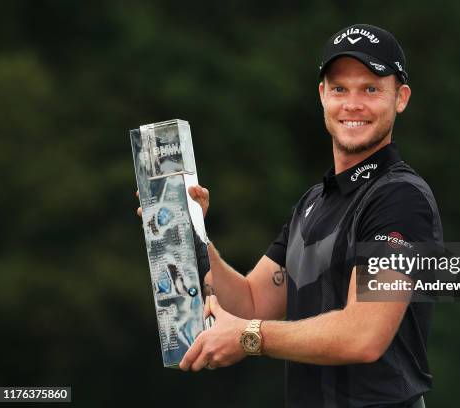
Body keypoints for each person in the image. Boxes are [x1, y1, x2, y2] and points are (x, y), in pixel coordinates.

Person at [139, 24, 443, 408]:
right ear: (322, 95)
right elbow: (249, 303)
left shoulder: (400, 197)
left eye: (370, 89)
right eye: (339, 89)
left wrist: (251, 337)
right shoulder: (314, 201)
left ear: (400, 98)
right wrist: (191, 234)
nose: (352, 104)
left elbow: (363, 336)